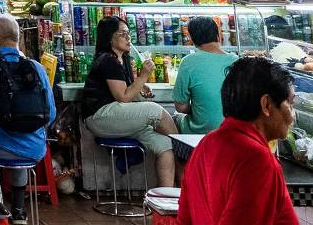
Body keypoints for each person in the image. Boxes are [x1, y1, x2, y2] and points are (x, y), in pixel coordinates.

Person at [175, 57, 297, 225]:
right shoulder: (257, 160)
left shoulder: (207, 143)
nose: (292, 114)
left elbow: (184, 219)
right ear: (266, 105)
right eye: (290, 104)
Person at [0, 15, 56, 220]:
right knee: (19, 149)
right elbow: (50, 114)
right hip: (33, 149)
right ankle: (19, 211)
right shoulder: (37, 68)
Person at [80, 14, 178, 187]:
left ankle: (166, 198)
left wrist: (140, 87)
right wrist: (143, 76)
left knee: (165, 146)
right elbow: (123, 97)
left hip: (117, 117)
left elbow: (128, 92)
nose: (128, 37)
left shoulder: (123, 60)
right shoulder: (108, 60)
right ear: (109, 37)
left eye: (128, 33)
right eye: (122, 33)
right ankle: (184, 155)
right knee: (155, 111)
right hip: (101, 116)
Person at [172, 16, 236, 133]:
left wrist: (199, 108)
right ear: (218, 34)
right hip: (232, 131)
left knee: (175, 117)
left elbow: (180, 107)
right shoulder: (236, 60)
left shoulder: (188, 62)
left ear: (191, 38)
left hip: (200, 133)